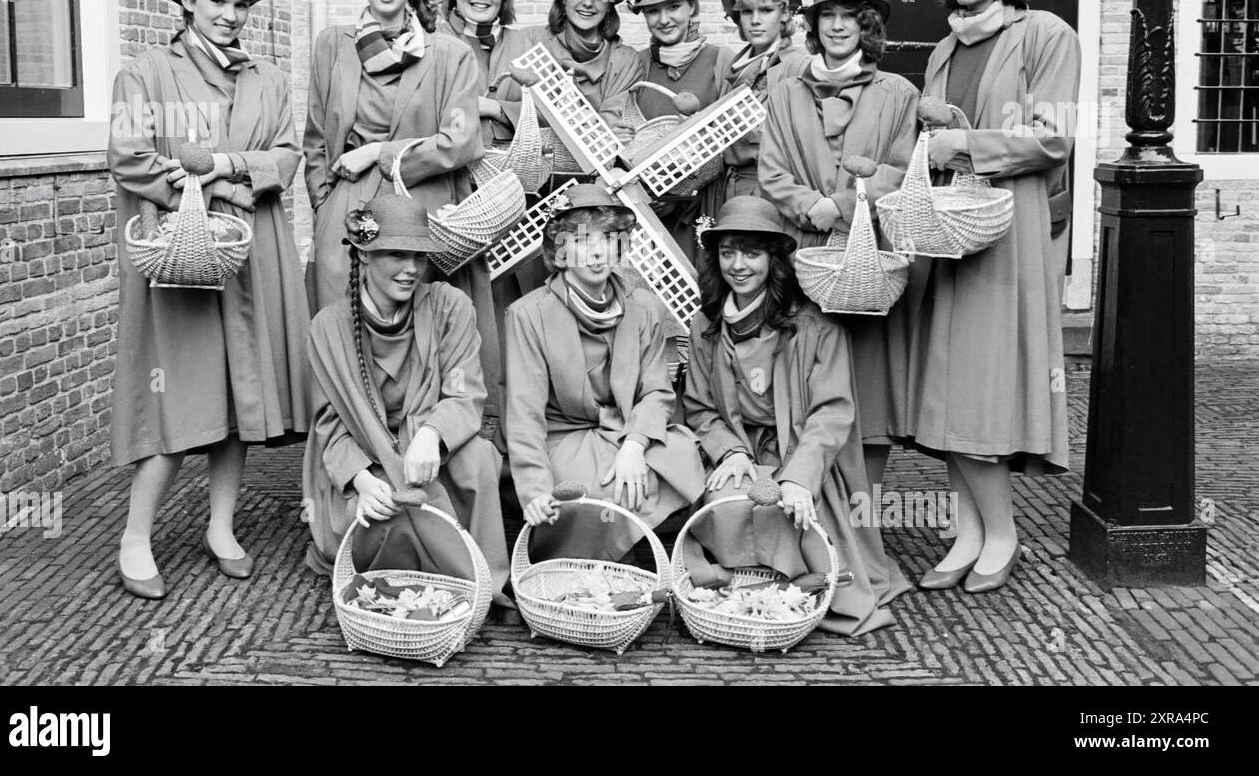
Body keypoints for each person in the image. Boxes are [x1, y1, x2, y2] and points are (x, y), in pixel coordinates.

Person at [108, 0, 310, 599]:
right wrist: (208, 184)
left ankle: (221, 525)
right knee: (179, 394)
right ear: (188, 0)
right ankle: (135, 535)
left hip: (251, 257)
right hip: (181, 254)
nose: (230, 13)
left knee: (239, 392)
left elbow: (287, 155)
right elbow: (131, 157)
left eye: (240, 4)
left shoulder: (270, 81)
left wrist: (223, 169)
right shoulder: (144, 74)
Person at [911, 0, 1079, 593]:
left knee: (982, 391)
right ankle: (968, 531)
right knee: (948, 391)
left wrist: (965, 143)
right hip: (951, 235)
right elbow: (936, 131)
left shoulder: (1046, 35)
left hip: (1008, 238)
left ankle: (1002, 533)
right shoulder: (945, 48)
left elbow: (1054, 139)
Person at [681, 196, 909, 636]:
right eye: (728, 253)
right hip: (741, 449)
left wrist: (799, 478)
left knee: (793, 511)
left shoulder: (814, 327)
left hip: (801, 451)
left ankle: (799, 588)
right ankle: (742, 589)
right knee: (726, 502)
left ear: (774, 260)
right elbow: (699, 406)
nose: (738, 265)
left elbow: (832, 411)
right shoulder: (704, 326)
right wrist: (728, 451)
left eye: (752, 253)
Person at [302, 0, 501, 415]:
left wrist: (380, 153)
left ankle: (425, 458)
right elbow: (313, 139)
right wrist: (326, 203)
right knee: (346, 333)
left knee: (422, 337)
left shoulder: (449, 55)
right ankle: (351, 473)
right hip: (348, 212)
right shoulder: (333, 45)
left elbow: (460, 143)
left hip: (422, 213)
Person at [301, 193, 511, 612]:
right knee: (378, 517)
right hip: (368, 459)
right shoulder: (328, 326)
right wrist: (359, 480)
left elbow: (464, 389)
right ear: (363, 256)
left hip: (433, 455)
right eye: (397, 254)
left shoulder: (450, 306)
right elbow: (328, 422)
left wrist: (433, 434)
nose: (412, 268)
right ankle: (425, 574)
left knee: (481, 457)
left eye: (419, 255)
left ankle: (482, 579)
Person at [759, 0, 925, 489]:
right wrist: (814, 206)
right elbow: (772, 170)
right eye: (826, 15)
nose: (836, 26)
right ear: (813, 24)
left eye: (848, 16)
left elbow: (902, 170)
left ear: (866, 24)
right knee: (807, 373)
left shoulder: (898, 92)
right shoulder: (785, 92)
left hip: (867, 254)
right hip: (802, 251)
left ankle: (862, 510)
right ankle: (805, 496)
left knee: (868, 383)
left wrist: (848, 205)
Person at [504, 184, 705, 561]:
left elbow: (657, 391)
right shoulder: (528, 314)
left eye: (610, 239)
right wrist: (534, 490)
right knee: (592, 492)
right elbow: (523, 412)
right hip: (564, 435)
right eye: (582, 241)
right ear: (560, 252)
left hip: (626, 430)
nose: (598, 252)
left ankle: (663, 564)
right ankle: (596, 574)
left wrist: (634, 444)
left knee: (681, 455)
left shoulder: (643, 305)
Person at [603, 0, 734, 260]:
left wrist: (681, 189)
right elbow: (610, 123)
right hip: (643, 214)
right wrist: (616, 135)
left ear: (691, 8)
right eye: (653, 11)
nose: (664, 19)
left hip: (702, 209)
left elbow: (734, 139)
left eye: (673, 7)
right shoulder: (636, 64)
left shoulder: (720, 60)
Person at [708, 0, 806, 209]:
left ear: (784, 14)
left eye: (766, 10)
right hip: (729, 188)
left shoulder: (797, 65)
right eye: (746, 12)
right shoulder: (735, 68)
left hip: (771, 191)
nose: (755, 20)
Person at [437, 0, 541, 153]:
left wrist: (497, 109)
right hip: (448, 169)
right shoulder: (433, 41)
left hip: (513, 170)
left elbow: (552, 115)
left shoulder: (524, 44)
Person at [538, 0, 643, 120]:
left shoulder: (625, 60)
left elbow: (612, 123)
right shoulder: (538, 44)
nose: (588, 3)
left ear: (608, 5)